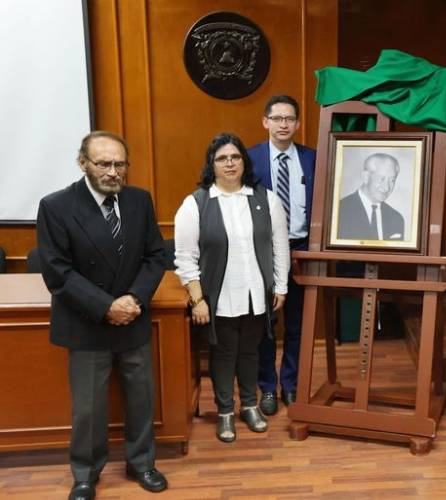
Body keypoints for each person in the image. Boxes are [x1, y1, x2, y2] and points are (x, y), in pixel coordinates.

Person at [36, 131, 168, 500]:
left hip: (133, 316)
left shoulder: (140, 200)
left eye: (120, 164)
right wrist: (106, 306)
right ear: (83, 163)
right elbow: (57, 272)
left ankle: (142, 463)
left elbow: (156, 256)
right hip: (86, 321)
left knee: (141, 398)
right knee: (89, 408)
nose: (113, 172)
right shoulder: (56, 206)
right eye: (104, 163)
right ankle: (85, 474)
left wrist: (134, 300)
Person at [174, 133, 289, 442]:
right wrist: (197, 299)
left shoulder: (266, 199)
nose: (229, 163)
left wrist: (280, 285)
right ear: (212, 165)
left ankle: (250, 406)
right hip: (219, 295)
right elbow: (185, 256)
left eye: (235, 157)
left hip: (257, 292)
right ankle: (225, 411)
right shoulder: (196, 203)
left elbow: (280, 246)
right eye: (222, 158)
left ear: (244, 161)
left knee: (250, 351)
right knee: (224, 354)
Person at [248, 94, 315, 414]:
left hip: (302, 251)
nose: (283, 125)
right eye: (277, 119)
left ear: (298, 124)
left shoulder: (313, 159)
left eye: (289, 119)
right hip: (265, 254)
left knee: (299, 324)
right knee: (264, 324)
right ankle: (267, 388)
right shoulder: (250, 160)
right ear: (265, 122)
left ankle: (291, 385)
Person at [337, 152, 404, 241]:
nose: (387, 187)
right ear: (366, 177)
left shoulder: (396, 218)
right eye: (382, 179)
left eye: (392, 180)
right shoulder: (340, 211)